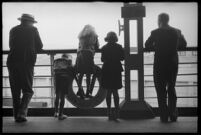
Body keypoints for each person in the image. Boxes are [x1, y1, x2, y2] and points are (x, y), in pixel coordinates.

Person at [145, 13, 187, 123]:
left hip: (159, 63)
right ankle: (173, 114)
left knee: (160, 90)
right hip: (173, 62)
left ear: (159, 20)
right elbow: (184, 44)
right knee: (171, 87)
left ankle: (163, 116)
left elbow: (147, 45)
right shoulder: (177, 31)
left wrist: (156, 47)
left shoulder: (155, 32)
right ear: (168, 20)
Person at [7, 13, 43, 122]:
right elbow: (40, 46)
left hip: (12, 61)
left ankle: (16, 115)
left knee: (15, 90)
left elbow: (10, 45)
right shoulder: (33, 30)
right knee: (28, 90)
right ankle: (22, 114)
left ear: (22, 21)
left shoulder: (13, 30)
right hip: (26, 61)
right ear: (30, 22)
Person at [101, 31, 124, 121]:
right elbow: (122, 58)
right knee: (115, 92)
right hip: (116, 69)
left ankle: (109, 111)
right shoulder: (119, 47)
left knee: (108, 92)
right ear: (115, 38)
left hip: (107, 69)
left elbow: (103, 59)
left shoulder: (104, 48)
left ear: (107, 38)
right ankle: (117, 112)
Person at [75, 24, 99, 99]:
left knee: (81, 74)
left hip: (80, 54)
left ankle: (80, 90)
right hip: (88, 54)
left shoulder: (81, 36)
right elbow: (97, 46)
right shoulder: (93, 35)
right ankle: (88, 92)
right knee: (88, 75)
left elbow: (79, 46)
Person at [53, 54, 76, 120]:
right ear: (66, 57)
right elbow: (72, 70)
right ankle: (61, 115)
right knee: (62, 96)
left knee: (57, 95)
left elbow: (54, 70)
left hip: (57, 78)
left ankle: (56, 112)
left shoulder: (56, 61)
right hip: (64, 79)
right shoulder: (68, 61)